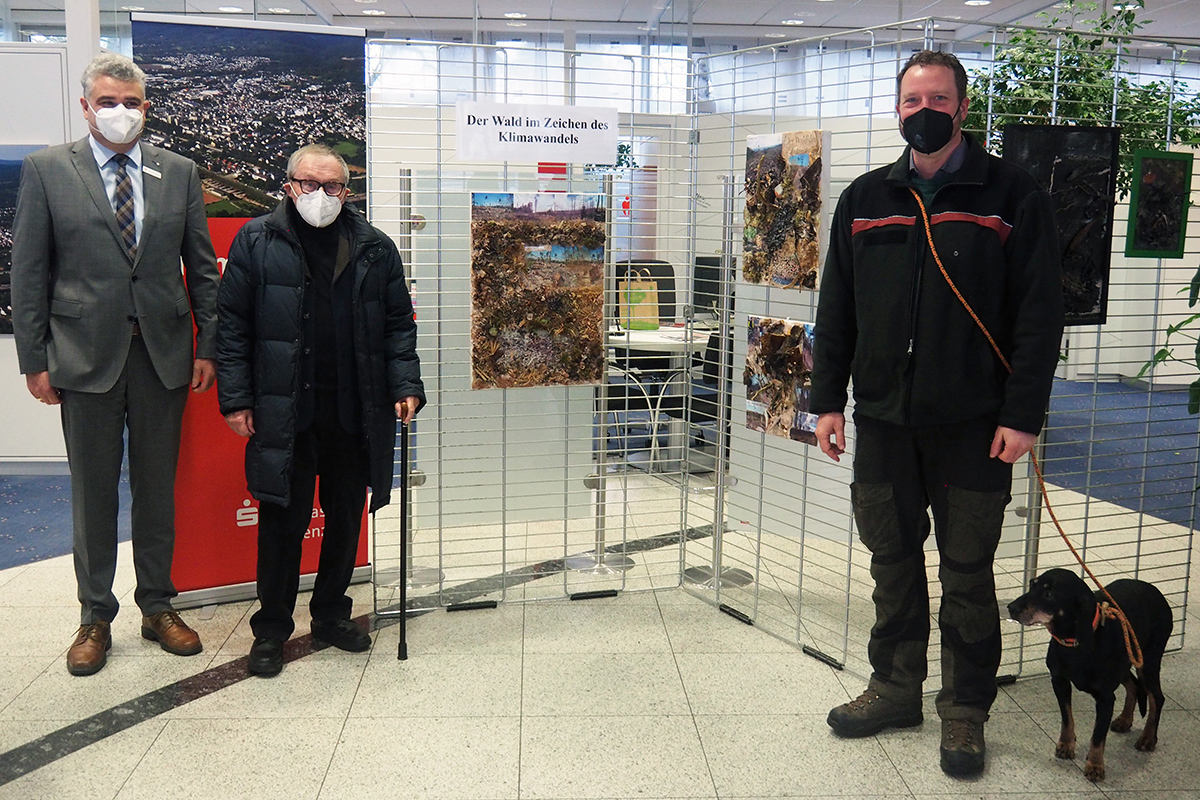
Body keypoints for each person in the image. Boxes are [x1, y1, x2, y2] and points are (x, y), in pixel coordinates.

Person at [810, 50, 1064, 777]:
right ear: (898, 108)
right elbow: (838, 311)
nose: (925, 110)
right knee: (891, 563)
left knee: (967, 572)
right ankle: (894, 688)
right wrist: (827, 400)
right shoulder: (863, 200)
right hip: (885, 422)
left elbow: (1039, 318)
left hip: (975, 427)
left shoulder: (1011, 196)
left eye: (940, 98)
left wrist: (1024, 415)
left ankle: (964, 712)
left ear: (961, 107)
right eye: (912, 98)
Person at [11, 53, 219, 676]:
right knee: (92, 494)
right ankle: (94, 616)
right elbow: (29, 273)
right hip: (82, 358)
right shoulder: (48, 170)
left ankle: (158, 605)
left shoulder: (176, 172)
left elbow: (202, 269)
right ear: (86, 105)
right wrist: (34, 359)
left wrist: (207, 346)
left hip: (162, 356)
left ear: (146, 107)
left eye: (131, 102)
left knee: (158, 490)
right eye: (107, 101)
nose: (120, 112)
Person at [216, 143, 424, 677]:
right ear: (289, 185)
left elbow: (398, 325)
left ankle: (331, 614)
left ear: (345, 191)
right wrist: (236, 398)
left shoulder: (375, 247)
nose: (321, 195)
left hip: (356, 408)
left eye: (332, 186)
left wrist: (406, 384)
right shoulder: (256, 240)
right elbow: (232, 326)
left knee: (344, 518)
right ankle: (271, 631)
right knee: (282, 524)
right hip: (286, 409)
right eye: (310, 184)